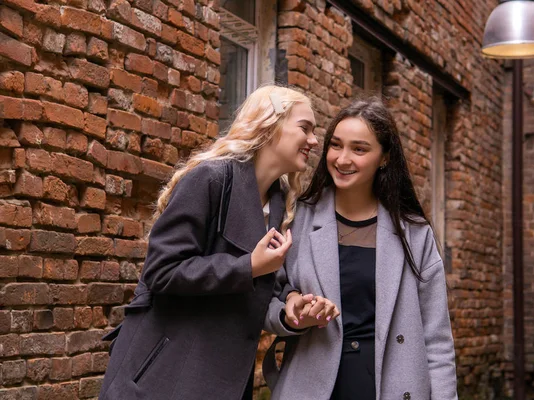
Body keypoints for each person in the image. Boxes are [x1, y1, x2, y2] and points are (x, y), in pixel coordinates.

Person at [99, 85, 320, 400]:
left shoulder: (279, 202)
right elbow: (161, 270)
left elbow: (266, 283)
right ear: (271, 126)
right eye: (305, 128)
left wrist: (292, 301)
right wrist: (247, 266)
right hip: (166, 377)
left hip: (225, 380)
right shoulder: (211, 178)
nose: (313, 140)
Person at [263, 99, 458, 400]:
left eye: (359, 149)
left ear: (384, 158)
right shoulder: (297, 219)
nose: (342, 159)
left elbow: (437, 339)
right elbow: (266, 299)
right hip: (313, 388)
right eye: (336, 145)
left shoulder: (415, 233)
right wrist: (292, 316)